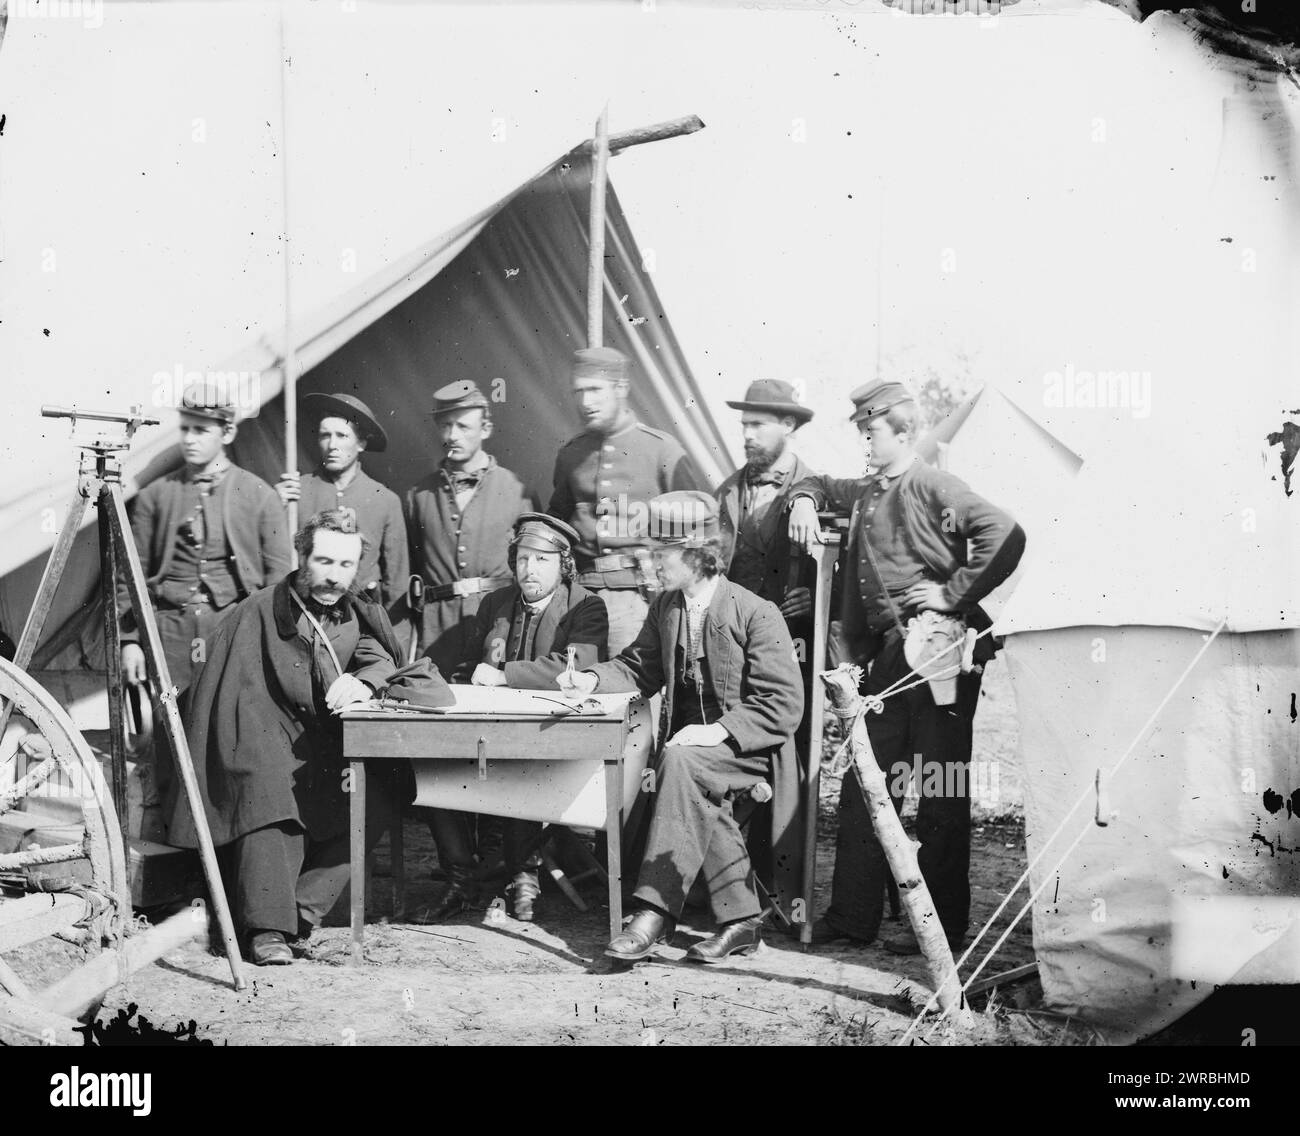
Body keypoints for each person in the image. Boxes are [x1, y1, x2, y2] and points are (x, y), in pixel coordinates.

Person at [787, 380, 1026, 954]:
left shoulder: (932, 484)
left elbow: (1006, 532)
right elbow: (817, 481)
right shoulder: (867, 491)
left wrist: (952, 594)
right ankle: (853, 917)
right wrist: (801, 500)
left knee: (941, 793)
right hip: (888, 664)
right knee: (867, 786)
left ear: (905, 433)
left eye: (872, 432)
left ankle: (942, 926)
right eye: (862, 433)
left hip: (940, 656)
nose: (865, 442)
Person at [167, 510, 452, 965]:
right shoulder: (258, 610)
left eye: (344, 566)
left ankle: (301, 911)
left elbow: (380, 656)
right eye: (323, 562)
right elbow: (229, 701)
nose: (333, 576)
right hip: (255, 733)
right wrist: (266, 746)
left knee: (382, 789)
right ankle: (266, 930)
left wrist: (366, 681)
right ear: (301, 556)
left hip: (324, 741)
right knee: (268, 788)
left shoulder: (355, 609)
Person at [559, 491, 805, 964]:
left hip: (749, 749)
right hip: (691, 755)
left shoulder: (757, 612)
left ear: (699, 555)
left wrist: (719, 731)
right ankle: (742, 921)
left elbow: (783, 704)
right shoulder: (667, 608)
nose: (651, 564)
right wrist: (590, 678)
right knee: (683, 764)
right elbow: (637, 669)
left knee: (680, 760)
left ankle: (654, 913)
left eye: (661, 553)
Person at [422, 513, 609, 923]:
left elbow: (575, 669)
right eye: (523, 559)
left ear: (564, 564)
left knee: (520, 769)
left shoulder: (586, 606)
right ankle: (461, 877)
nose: (530, 570)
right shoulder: (496, 604)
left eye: (542, 559)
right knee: (433, 765)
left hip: (553, 737)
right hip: (491, 730)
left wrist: (505, 675)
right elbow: (472, 662)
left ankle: (520, 872)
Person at [119, 381, 291, 696]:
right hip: (168, 634)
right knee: (167, 728)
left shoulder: (259, 495)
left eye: (200, 430)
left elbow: (279, 582)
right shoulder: (155, 497)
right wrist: (129, 642)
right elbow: (131, 576)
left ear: (227, 433)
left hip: (234, 631)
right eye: (184, 429)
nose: (189, 439)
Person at [548, 347, 704, 656]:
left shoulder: (662, 451)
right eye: (579, 391)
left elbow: (697, 532)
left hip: (638, 598)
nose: (585, 402)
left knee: (632, 697)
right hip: (581, 598)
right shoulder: (571, 455)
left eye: (595, 390)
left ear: (621, 388)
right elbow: (558, 521)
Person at [404, 381, 531, 679]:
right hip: (437, 629)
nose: (452, 436)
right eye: (445, 426)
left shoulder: (516, 490)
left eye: (463, 426)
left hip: (497, 622)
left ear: (485, 429)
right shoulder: (418, 496)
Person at [275, 391, 408, 616]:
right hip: (305, 617)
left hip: (362, 620)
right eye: (325, 435)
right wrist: (274, 506)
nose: (332, 445)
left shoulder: (384, 500)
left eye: (342, 436)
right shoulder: (296, 492)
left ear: (361, 443)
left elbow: (397, 582)